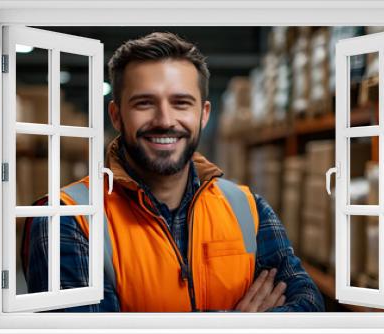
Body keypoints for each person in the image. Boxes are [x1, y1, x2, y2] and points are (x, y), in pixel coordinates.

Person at [22, 32, 325, 312]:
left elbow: (309, 305)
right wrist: (238, 324)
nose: (165, 120)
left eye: (181, 103)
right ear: (116, 115)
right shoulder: (67, 218)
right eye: (144, 103)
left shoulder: (247, 209)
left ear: (203, 115)